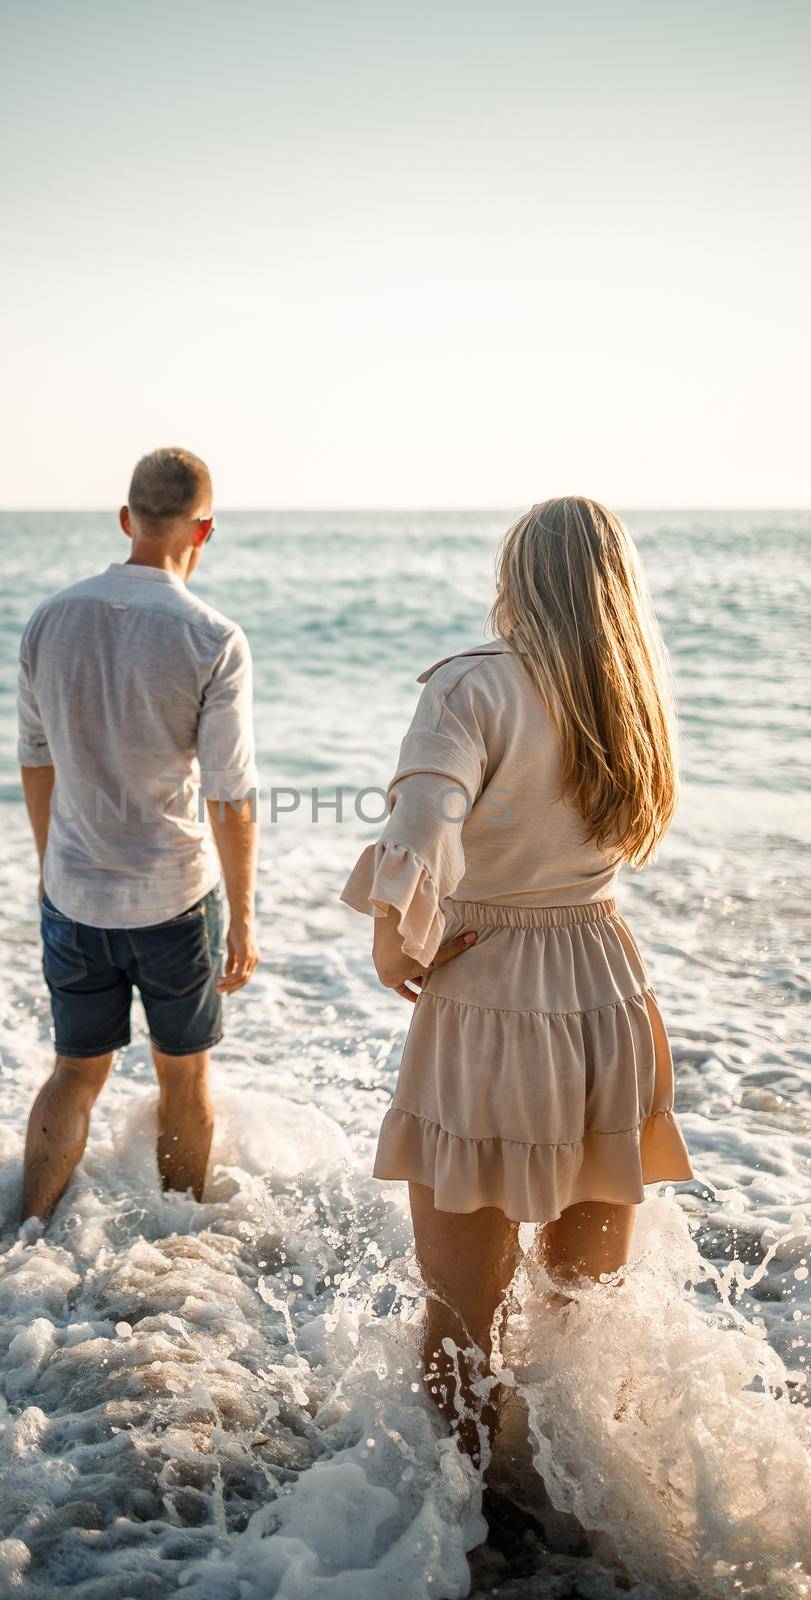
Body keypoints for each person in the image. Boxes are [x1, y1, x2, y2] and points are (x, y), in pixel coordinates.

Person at [341, 496, 694, 1467]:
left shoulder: (469, 686)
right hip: (605, 995)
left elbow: (418, 826)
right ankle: (572, 1506)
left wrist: (394, 947)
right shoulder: (633, 694)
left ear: (517, 578)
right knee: (579, 1311)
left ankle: (457, 1528)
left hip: (490, 998)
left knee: (459, 1318)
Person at [17, 447, 259, 1223]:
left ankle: (27, 1228)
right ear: (205, 529)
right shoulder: (212, 637)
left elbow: (35, 760)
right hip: (173, 899)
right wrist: (245, 916)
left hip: (75, 895)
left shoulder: (51, 619)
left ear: (126, 520)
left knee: (73, 1075)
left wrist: (48, 867)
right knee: (182, 1080)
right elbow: (229, 795)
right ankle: (178, 1239)